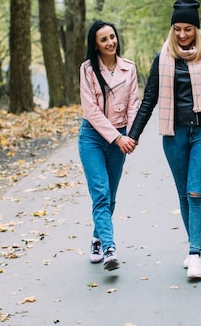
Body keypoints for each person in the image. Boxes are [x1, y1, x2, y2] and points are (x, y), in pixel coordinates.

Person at [128, 0, 201, 279]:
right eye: (177, 29)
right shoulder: (162, 59)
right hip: (174, 134)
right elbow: (149, 99)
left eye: (187, 29)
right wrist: (132, 135)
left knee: (196, 192)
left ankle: (195, 253)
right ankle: (193, 246)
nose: (182, 34)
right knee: (184, 194)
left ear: (196, 29)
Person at [78, 20, 139, 271]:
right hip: (93, 137)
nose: (110, 42)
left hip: (121, 138)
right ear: (95, 44)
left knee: (110, 196)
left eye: (112, 37)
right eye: (104, 39)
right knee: (100, 192)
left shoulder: (129, 68)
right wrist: (116, 137)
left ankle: (97, 237)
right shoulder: (87, 69)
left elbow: (134, 103)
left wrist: (131, 136)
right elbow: (91, 110)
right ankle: (109, 248)